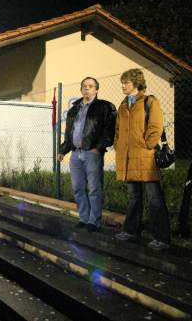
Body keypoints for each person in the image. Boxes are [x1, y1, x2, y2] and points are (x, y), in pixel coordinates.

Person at [114, 69, 170, 251]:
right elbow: (118, 130)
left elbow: (156, 125)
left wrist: (149, 143)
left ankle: (161, 238)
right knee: (133, 197)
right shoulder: (123, 105)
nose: (123, 85)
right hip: (128, 159)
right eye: (122, 82)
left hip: (146, 158)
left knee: (154, 199)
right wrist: (118, 144)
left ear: (136, 83)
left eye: (126, 82)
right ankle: (131, 231)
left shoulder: (149, 101)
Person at [58, 77, 117, 233]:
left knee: (94, 188)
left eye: (90, 86)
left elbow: (109, 130)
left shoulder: (105, 107)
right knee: (77, 188)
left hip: (92, 153)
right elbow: (69, 133)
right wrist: (63, 150)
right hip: (76, 154)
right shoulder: (74, 109)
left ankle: (94, 221)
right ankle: (84, 218)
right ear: (81, 89)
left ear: (96, 90)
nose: (87, 88)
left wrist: (98, 148)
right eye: (84, 86)